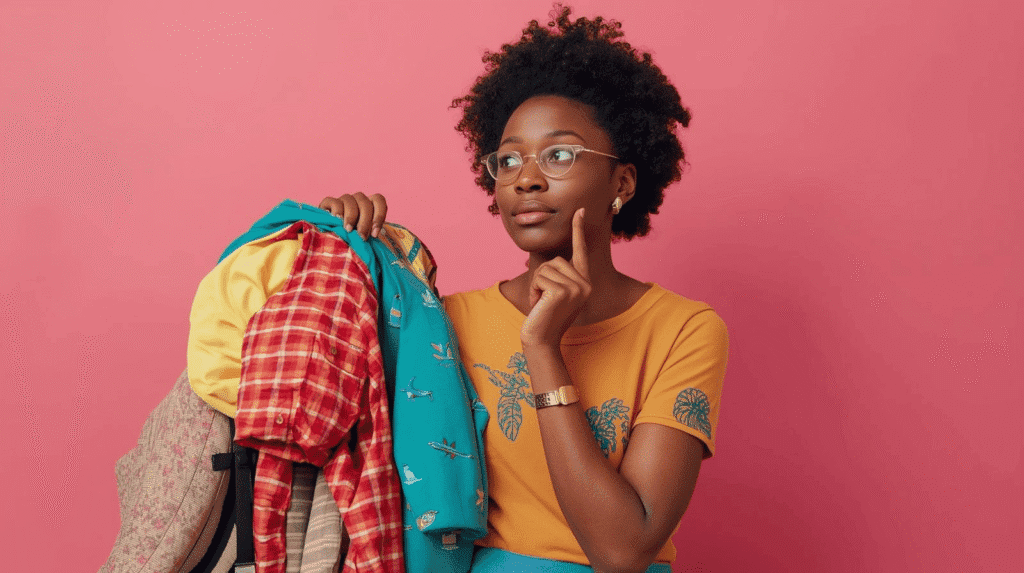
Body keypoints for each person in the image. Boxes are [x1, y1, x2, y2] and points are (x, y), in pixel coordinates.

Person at [319, 6, 728, 573]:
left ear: (623, 182)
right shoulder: (445, 322)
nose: (526, 178)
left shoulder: (683, 329)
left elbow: (625, 550)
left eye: (559, 155)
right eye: (508, 160)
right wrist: (334, 245)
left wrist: (543, 348)